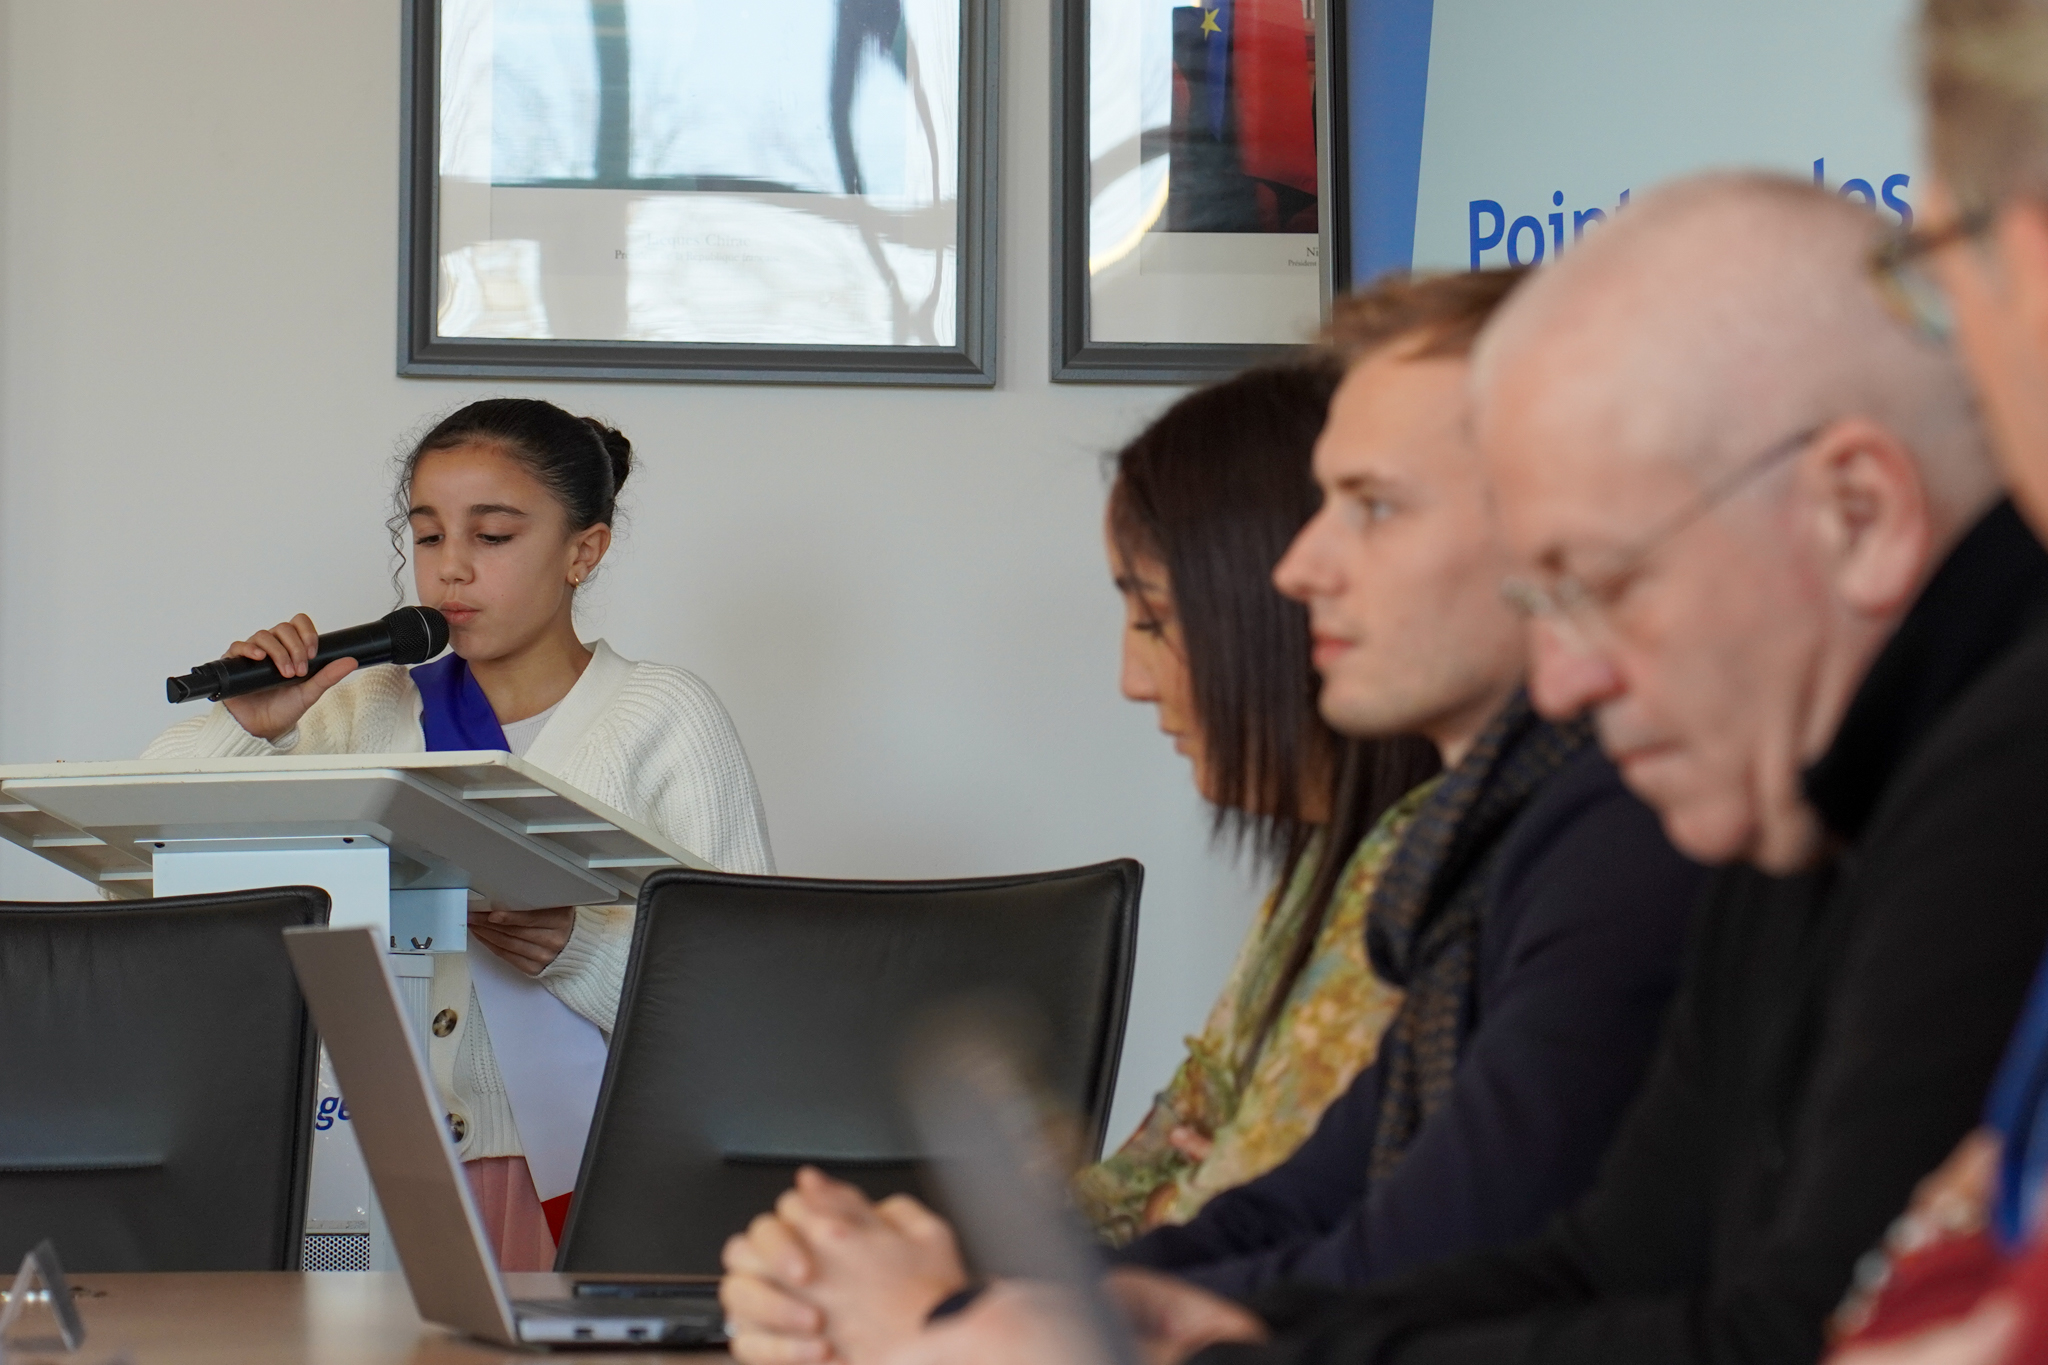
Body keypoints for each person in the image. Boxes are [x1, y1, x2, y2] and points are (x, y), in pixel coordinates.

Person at [1044, 172, 2048, 1365]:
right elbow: (1612, 1256)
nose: (1559, 684)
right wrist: (1203, 1333)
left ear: (1859, 514)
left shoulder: (1984, 779)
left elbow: (1784, 1334)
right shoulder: (1787, 786)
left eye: (1602, 584)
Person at [717, 270, 1708, 1365]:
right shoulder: (1485, 842)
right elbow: (1291, 1214)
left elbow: (1408, 1259)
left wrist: (958, 1317)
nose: (1306, 567)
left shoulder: (1618, 834)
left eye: (1373, 507)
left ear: (1562, 529)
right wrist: (964, 1302)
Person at [144, 397, 774, 1270]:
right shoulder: (365, 705)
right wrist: (253, 722)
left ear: (584, 551)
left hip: (574, 1179)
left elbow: (746, 997)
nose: (452, 569)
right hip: (358, 1170)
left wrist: (577, 949)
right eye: (429, 535)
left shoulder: (663, 717)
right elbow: (152, 833)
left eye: (494, 535)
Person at [1080, 362, 1443, 1244]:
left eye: (1155, 621)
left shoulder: (1413, 863)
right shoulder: (1327, 860)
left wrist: (1186, 1199)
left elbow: (1230, 1217)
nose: (1132, 679)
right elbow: (1168, 1164)